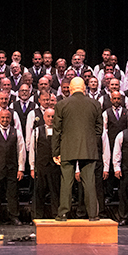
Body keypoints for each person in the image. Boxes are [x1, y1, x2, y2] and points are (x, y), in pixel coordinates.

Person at [53, 77, 104, 222]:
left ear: (70, 89)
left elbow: (57, 130)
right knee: (89, 181)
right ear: (84, 88)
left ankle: (63, 213)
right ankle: (93, 214)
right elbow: (99, 129)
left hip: (68, 147)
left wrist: (56, 152)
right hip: (89, 148)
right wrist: (91, 143)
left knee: (66, 182)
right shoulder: (95, 104)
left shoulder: (62, 104)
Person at [0, 109, 26, 225]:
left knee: (13, 193)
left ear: (10, 119)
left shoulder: (16, 132)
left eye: (7, 117)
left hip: (12, 168)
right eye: (2, 117)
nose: (5, 120)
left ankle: (14, 216)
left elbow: (21, 151)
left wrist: (21, 169)